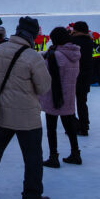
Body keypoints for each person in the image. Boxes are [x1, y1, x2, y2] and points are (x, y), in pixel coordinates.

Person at [0, 16, 52, 199]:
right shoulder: (33, 56)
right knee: (32, 156)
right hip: (27, 116)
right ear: (32, 35)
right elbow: (44, 87)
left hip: (2, 112)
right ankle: (31, 195)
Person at [39, 27, 82, 167]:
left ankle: (53, 156)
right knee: (69, 127)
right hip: (69, 95)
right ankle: (75, 153)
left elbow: (44, 74)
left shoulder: (55, 55)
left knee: (51, 128)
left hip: (54, 96)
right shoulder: (74, 54)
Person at [69, 21, 94, 135]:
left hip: (72, 75)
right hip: (85, 76)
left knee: (69, 102)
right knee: (82, 102)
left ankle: (73, 125)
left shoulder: (72, 40)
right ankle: (85, 126)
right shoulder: (89, 41)